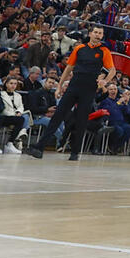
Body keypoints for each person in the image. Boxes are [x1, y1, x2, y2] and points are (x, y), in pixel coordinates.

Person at [24, 25, 115, 160]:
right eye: (95, 32)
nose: (97, 35)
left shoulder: (104, 50)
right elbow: (68, 68)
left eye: (100, 33)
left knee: (82, 120)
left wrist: (105, 81)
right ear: (90, 33)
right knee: (58, 115)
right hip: (74, 85)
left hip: (89, 88)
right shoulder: (79, 48)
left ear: (102, 36)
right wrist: (60, 86)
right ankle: (39, 147)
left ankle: (75, 152)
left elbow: (112, 70)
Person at [0, 77, 27, 155]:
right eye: (11, 83)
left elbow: (21, 106)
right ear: (6, 84)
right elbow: (2, 107)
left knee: (21, 119)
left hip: (14, 115)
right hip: (4, 115)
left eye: (15, 84)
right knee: (1, 118)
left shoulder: (18, 95)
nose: (13, 85)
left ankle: (10, 143)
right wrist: (13, 114)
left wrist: (19, 111)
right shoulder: (1, 94)